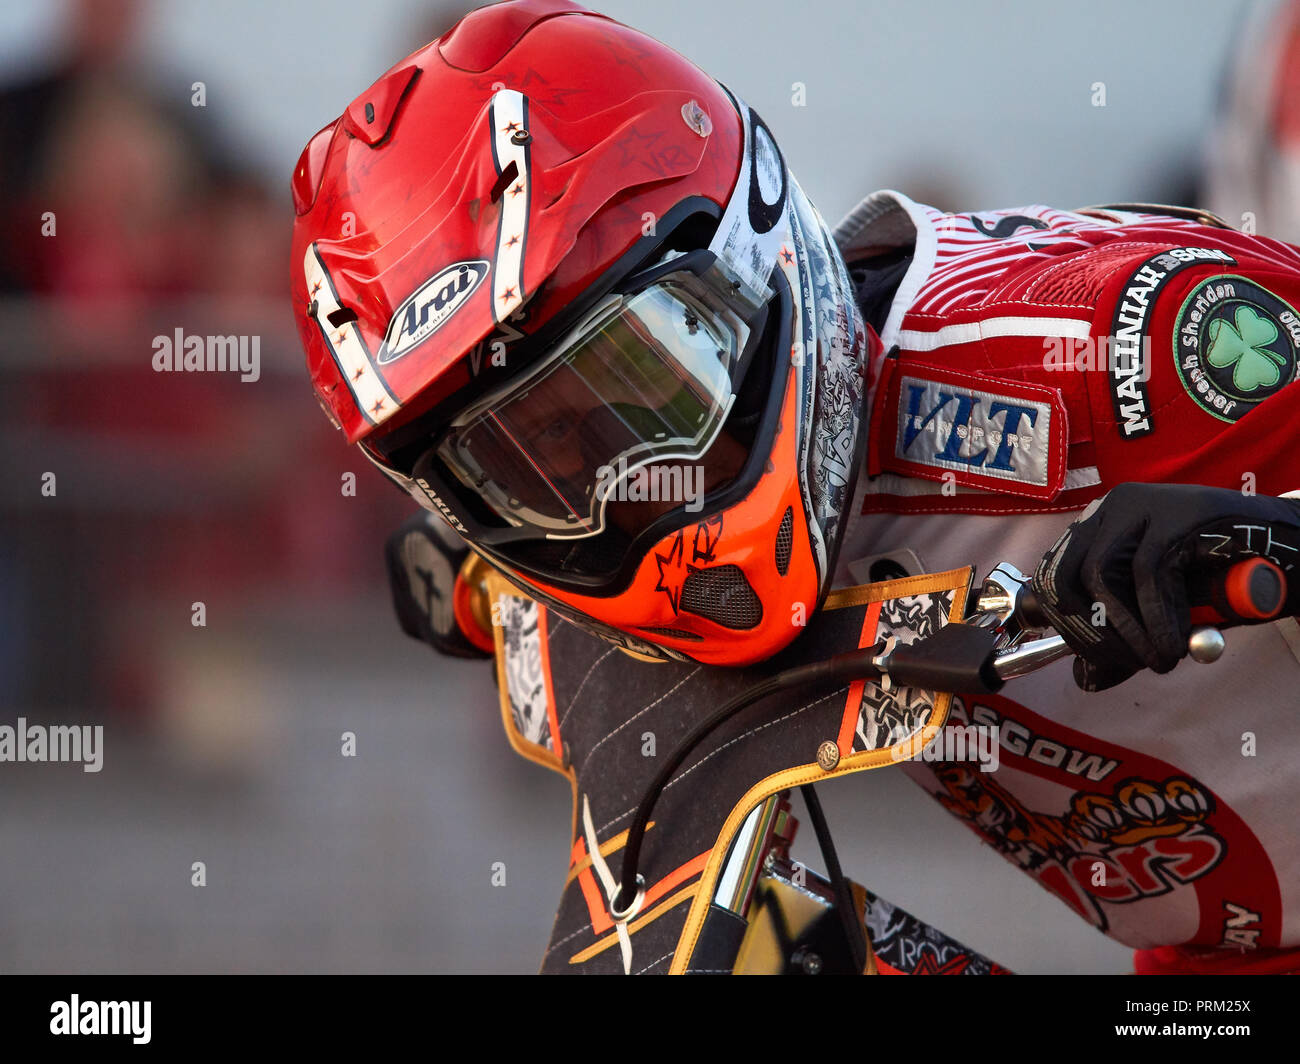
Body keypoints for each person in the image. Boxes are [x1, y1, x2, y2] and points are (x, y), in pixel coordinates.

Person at [289, 0, 1300, 973]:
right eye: (530, 465)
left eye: (641, 389)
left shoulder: (1129, 351)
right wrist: (479, 578)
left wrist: (1267, 531)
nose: (625, 491)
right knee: (782, 946)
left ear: (740, 258)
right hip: (1212, 960)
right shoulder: (593, 559)